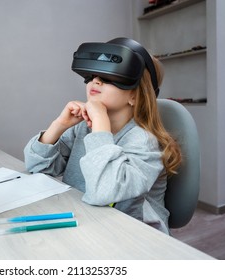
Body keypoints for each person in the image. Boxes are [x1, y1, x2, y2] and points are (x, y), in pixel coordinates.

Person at [23, 37, 182, 235]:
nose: (96, 81)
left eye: (109, 78)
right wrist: (59, 126)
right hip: (84, 219)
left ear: (135, 95)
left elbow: (104, 192)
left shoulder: (144, 142)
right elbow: (37, 166)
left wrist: (100, 125)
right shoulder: (83, 128)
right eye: (92, 76)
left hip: (131, 235)